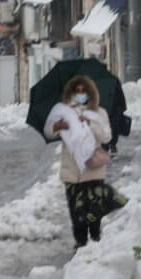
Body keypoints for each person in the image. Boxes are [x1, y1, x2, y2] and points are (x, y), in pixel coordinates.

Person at [47, 75, 127, 248]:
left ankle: (96, 237)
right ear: (71, 93)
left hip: (93, 170)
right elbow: (48, 132)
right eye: (77, 91)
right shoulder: (64, 112)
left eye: (84, 91)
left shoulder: (99, 113)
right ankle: (80, 241)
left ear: (91, 94)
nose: (80, 94)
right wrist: (57, 127)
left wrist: (90, 123)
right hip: (71, 171)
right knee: (75, 210)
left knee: (93, 209)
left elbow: (107, 137)